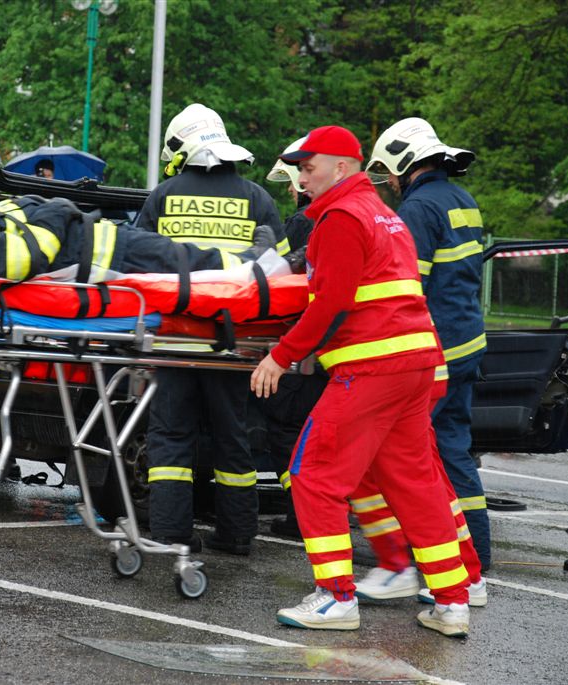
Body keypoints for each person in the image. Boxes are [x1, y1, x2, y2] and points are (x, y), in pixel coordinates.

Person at [251, 125, 472, 637]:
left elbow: (331, 301)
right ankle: (452, 602)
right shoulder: (384, 214)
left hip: (371, 368)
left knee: (313, 475)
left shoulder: (341, 217)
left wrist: (281, 357)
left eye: (309, 169)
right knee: (415, 485)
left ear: (341, 168)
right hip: (414, 364)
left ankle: (335, 597)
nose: (302, 180)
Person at [345, 117, 491, 598]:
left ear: (406, 164)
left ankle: (411, 564)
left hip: (434, 349)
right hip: (467, 340)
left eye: (389, 172)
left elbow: (407, 285)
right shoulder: (461, 199)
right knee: (453, 453)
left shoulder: (418, 208)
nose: (389, 182)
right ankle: (473, 564)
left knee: (407, 459)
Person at [133, 103, 285, 556]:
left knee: (170, 435)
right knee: (232, 435)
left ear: (181, 148)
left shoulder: (162, 196)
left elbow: (139, 260)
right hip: (235, 341)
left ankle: (170, 533)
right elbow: (282, 269)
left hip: (174, 337)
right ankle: (237, 533)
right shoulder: (257, 198)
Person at [0, 193, 277, 279]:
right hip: (102, 254)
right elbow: (21, 258)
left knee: (185, 256)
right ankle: (257, 267)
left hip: (98, 245)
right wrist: (56, 208)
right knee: (188, 261)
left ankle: (251, 261)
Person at [258, 137, 329, 539]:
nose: (290, 187)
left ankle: (302, 513)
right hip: (323, 350)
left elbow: (282, 275)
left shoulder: (305, 221)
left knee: (287, 429)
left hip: (303, 346)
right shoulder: (335, 216)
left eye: (295, 177)